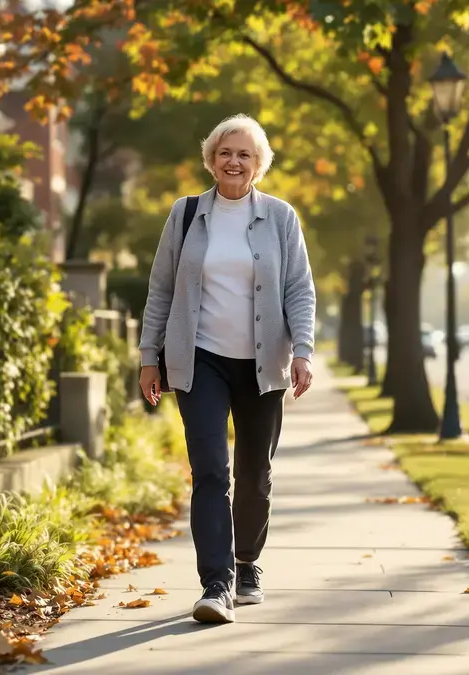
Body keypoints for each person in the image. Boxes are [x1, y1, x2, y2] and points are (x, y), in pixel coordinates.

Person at [137, 113, 316, 624]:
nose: (233, 161)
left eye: (244, 154)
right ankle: (215, 585)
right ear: (211, 160)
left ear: (259, 164)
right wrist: (150, 357)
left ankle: (246, 563)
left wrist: (303, 350)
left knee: (254, 473)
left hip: (264, 363)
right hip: (200, 359)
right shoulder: (186, 213)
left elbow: (299, 289)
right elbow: (162, 289)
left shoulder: (281, 217)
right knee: (211, 472)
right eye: (224, 153)